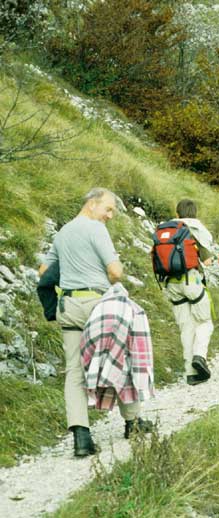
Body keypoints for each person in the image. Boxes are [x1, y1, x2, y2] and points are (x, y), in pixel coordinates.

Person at [39, 187, 153, 457]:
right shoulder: (96, 229)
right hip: (98, 305)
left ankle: (81, 438)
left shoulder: (63, 232)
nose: (110, 215)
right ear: (92, 204)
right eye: (108, 209)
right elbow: (115, 271)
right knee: (122, 357)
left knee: (74, 371)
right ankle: (132, 422)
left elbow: (44, 272)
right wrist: (108, 274)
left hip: (69, 306)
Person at [163, 199, 215, 386]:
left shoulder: (166, 229)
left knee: (186, 327)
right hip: (191, 281)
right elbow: (207, 261)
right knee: (205, 322)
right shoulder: (195, 228)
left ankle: (190, 373)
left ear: (177, 214)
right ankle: (199, 356)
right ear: (194, 213)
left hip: (171, 284)